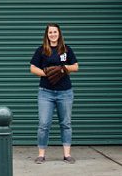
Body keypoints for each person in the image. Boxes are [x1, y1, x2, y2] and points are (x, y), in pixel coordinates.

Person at [29, 23, 79, 164]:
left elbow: (76, 66)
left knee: (66, 124)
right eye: (50, 32)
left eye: (55, 32)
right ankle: (41, 155)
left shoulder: (66, 49)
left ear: (59, 33)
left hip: (65, 92)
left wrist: (63, 69)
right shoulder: (42, 51)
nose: (52, 34)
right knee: (44, 124)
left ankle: (67, 155)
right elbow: (32, 68)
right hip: (46, 93)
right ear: (47, 35)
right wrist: (47, 73)